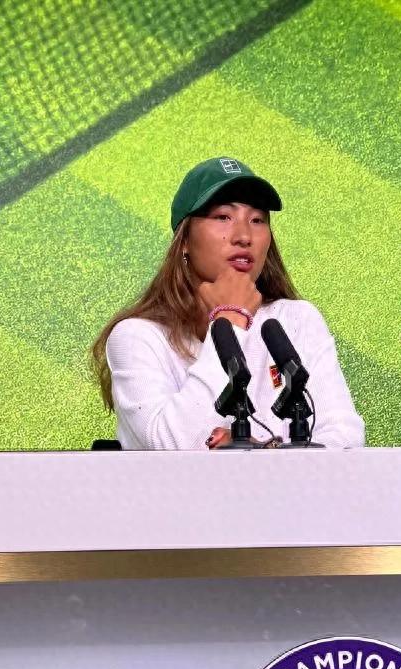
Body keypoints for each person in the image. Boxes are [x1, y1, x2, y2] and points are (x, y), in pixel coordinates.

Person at [91, 157, 365, 450]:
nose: (244, 236)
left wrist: (264, 453)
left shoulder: (296, 319)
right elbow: (176, 449)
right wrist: (231, 318)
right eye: (223, 217)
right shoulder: (136, 337)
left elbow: (346, 438)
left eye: (257, 220)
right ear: (184, 240)